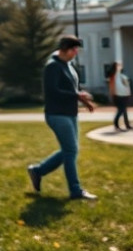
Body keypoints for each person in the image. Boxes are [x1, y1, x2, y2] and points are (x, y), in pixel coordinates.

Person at [27, 36, 97, 200]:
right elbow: (53, 91)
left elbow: (73, 88)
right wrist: (77, 95)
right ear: (67, 49)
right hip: (57, 114)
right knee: (71, 150)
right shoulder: (52, 66)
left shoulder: (68, 65)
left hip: (70, 113)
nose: (76, 53)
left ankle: (37, 171)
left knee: (69, 150)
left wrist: (84, 101)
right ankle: (75, 190)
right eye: (74, 50)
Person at [108, 61, 132, 131]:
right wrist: (112, 94)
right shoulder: (113, 76)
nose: (120, 66)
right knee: (121, 110)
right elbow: (112, 86)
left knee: (124, 110)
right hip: (118, 95)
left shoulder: (122, 75)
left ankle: (127, 124)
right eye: (118, 65)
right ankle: (116, 123)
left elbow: (126, 84)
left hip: (125, 94)